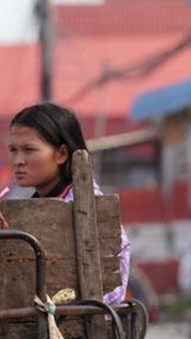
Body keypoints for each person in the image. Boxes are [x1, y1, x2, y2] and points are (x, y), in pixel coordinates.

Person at [8, 102, 130, 305]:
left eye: (29, 150)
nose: (18, 160)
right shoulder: (33, 208)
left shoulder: (90, 208)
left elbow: (112, 289)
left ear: (61, 154)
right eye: (13, 150)